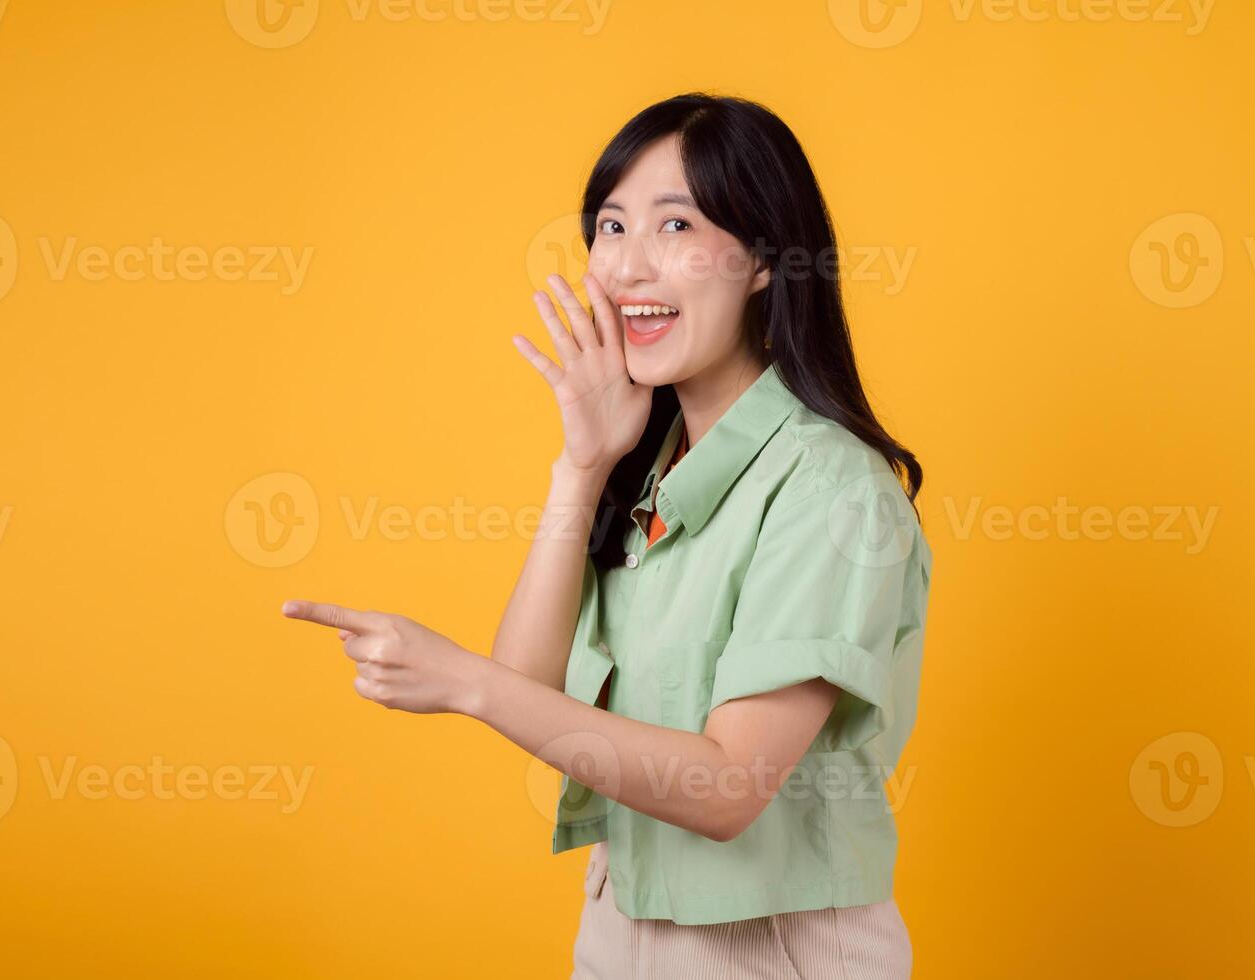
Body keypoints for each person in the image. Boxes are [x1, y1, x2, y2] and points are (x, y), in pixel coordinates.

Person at [282, 92, 930, 979]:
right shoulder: (651, 469)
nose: (628, 266)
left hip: (773, 951)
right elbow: (525, 688)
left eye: (674, 224)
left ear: (764, 262)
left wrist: (458, 678)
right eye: (611, 225)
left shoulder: (829, 490)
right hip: (620, 933)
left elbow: (728, 786)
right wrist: (581, 467)